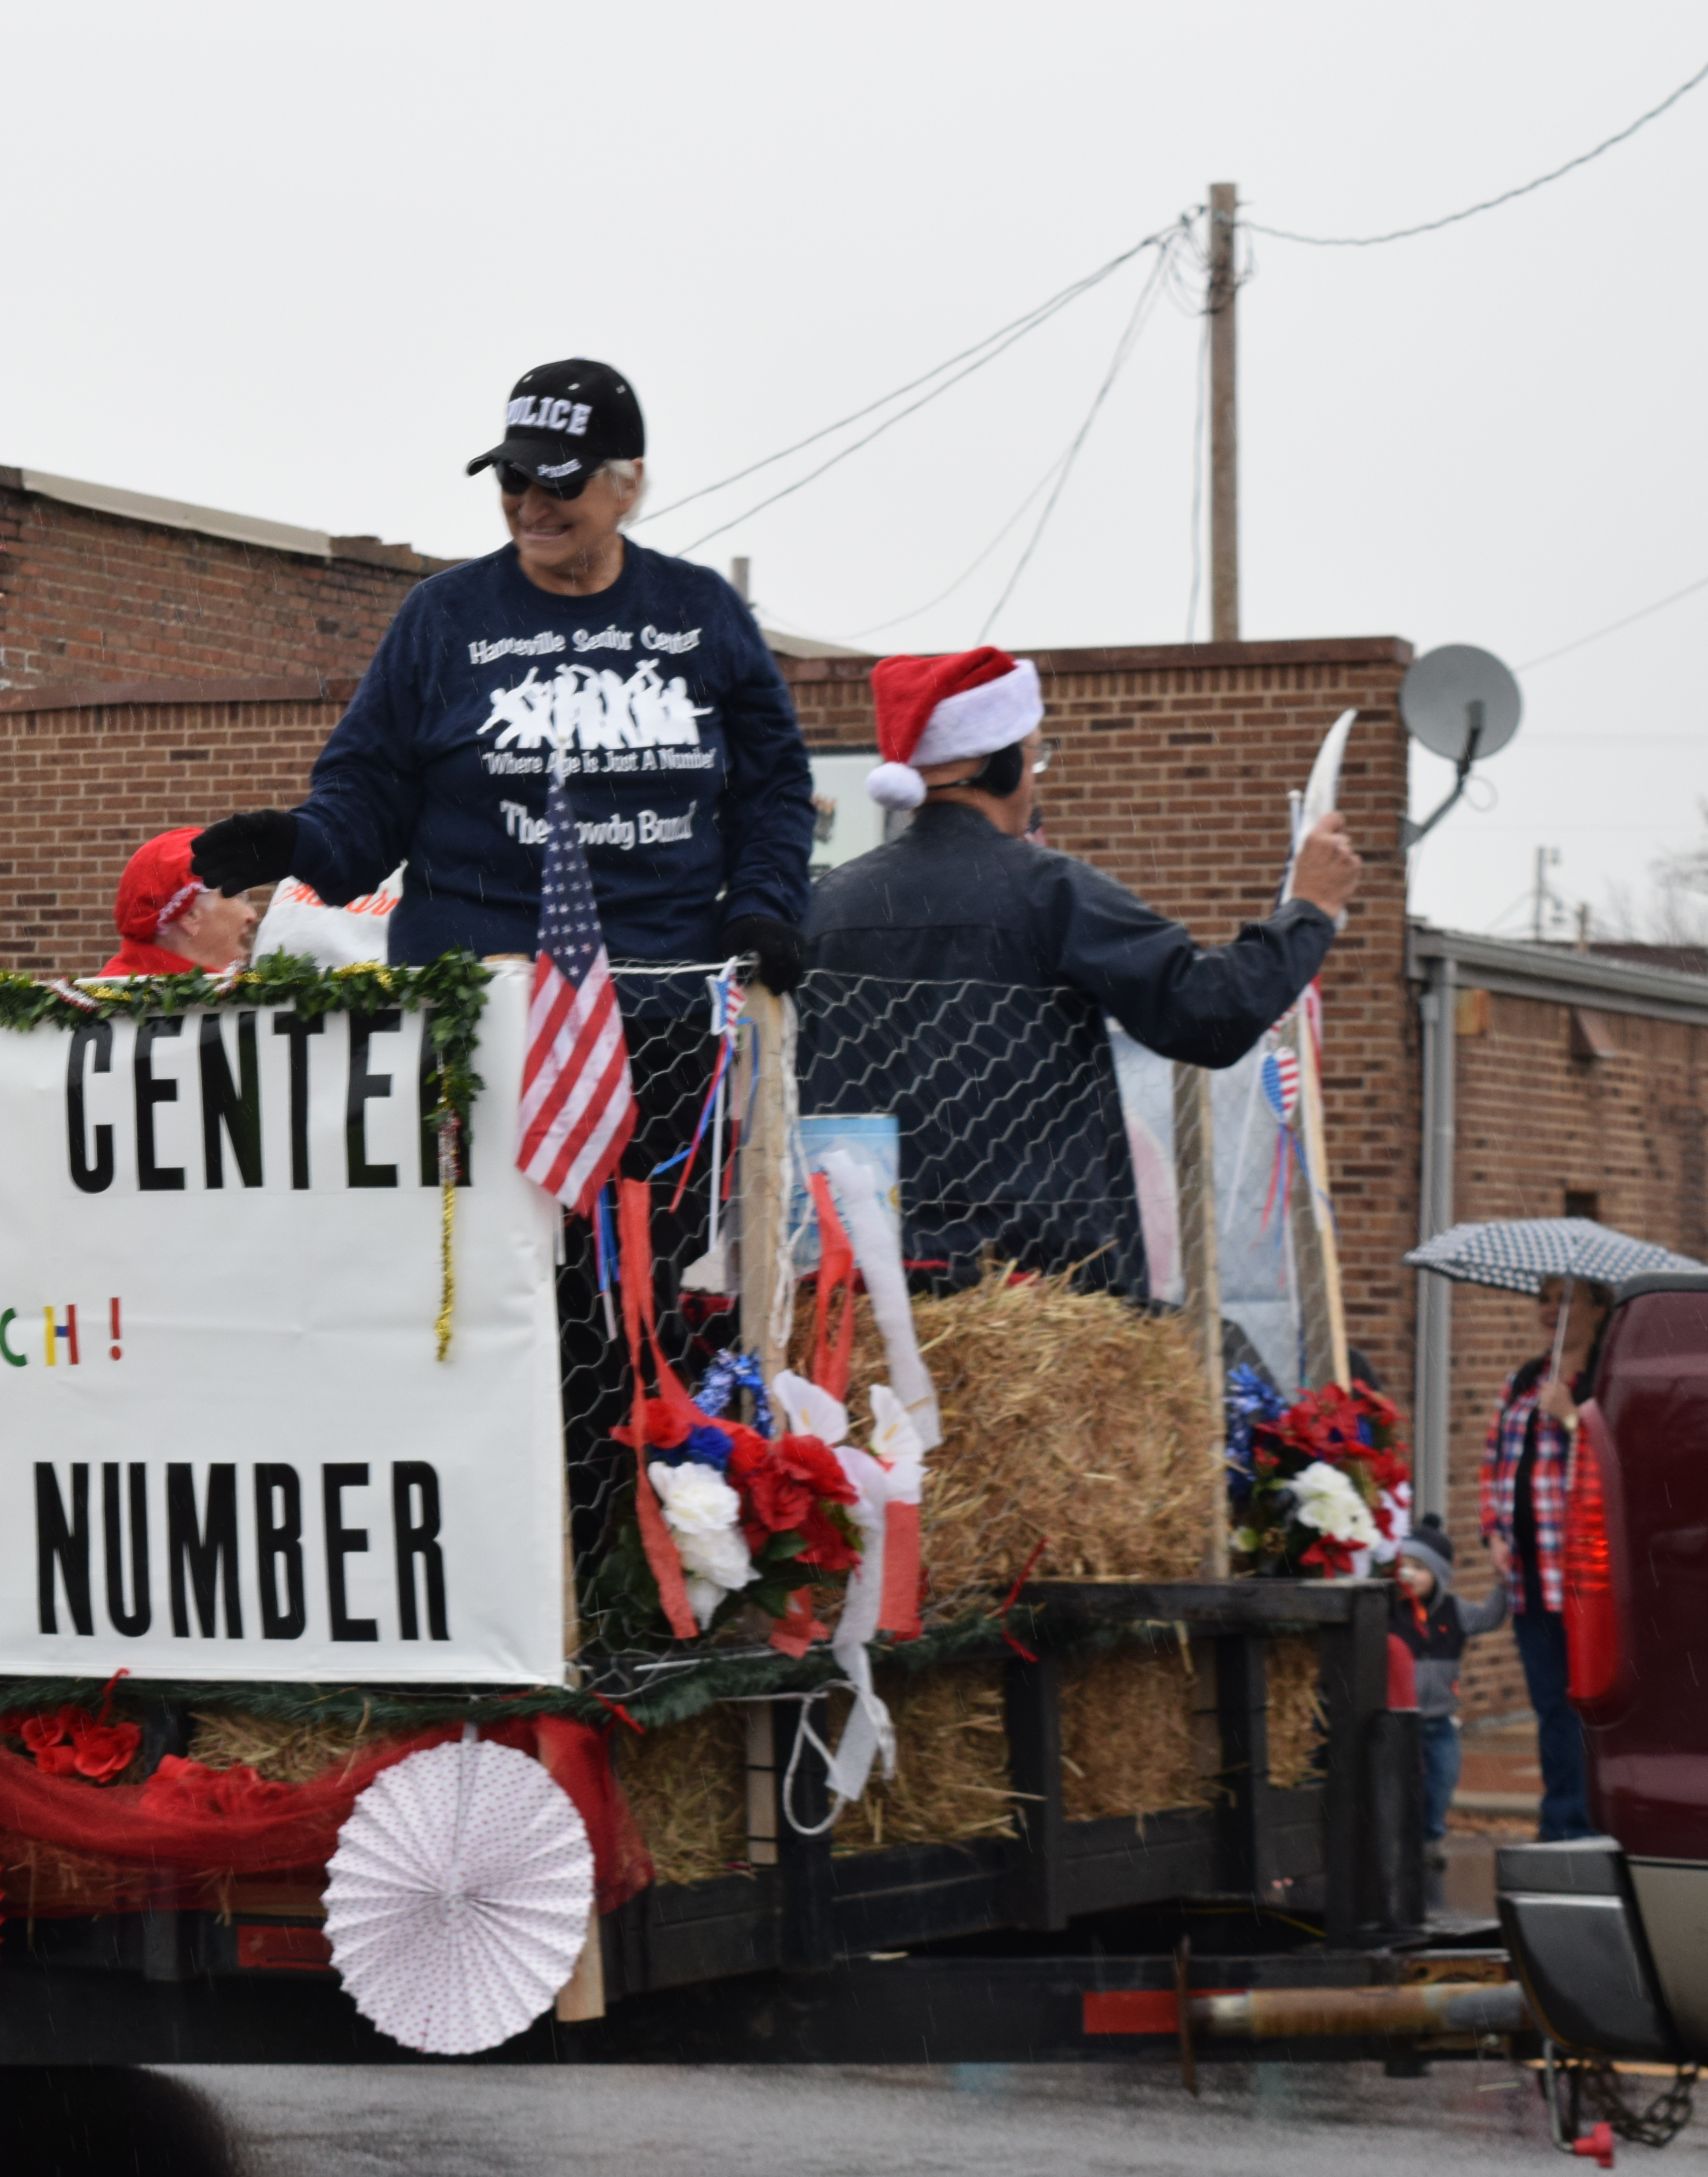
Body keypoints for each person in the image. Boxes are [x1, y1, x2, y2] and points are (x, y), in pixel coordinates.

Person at [188, 358, 815, 1008]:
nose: (532, 504)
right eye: (515, 477)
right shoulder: (443, 617)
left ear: (628, 485)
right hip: (474, 1010)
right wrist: (303, 840)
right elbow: (369, 791)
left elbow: (773, 785)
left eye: (561, 481)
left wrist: (763, 907)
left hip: (663, 1002)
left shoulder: (701, 609)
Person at [800, 647, 1362, 1293]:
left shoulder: (827, 906)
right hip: (1036, 1291)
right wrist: (1310, 910)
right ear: (1000, 761)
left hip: (866, 1288)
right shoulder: (1049, 892)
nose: (1037, 776)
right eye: (1034, 754)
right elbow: (1207, 1014)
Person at [1480, 1279, 1606, 1841]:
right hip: (1531, 1578)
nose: (1551, 1310)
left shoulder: (1607, 1383)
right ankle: (1560, 1823)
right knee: (1552, 1706)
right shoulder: (1523, 1383)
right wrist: (1493, 1536)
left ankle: (1582, 1824)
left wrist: (1576, 1418)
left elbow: (1617, 1463)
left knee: (1590, 1708)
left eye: (1566, 1299)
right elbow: (1494, 1467)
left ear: (1599, 1310)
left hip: (1584, 1578)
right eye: (1545, 1298)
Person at [1390, 1520, 1515, 1906]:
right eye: (1404, 1565)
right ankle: (1401, 1844)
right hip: (1400, 1723)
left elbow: (1489, 1617)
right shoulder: (1388, 1612)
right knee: (1400, 1787)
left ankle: (1429, 1839)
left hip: (1440, 1723)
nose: (1409, 1574)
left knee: (1441, 1782)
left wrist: (1504, 1584)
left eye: (1420, 1567)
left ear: (1439, 1576)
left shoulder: (1454, 1611)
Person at [99, 829, 258, 977]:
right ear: (189, 916)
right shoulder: (126, 1003)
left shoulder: (119, 997)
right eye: (237, 896)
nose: (252, 916)